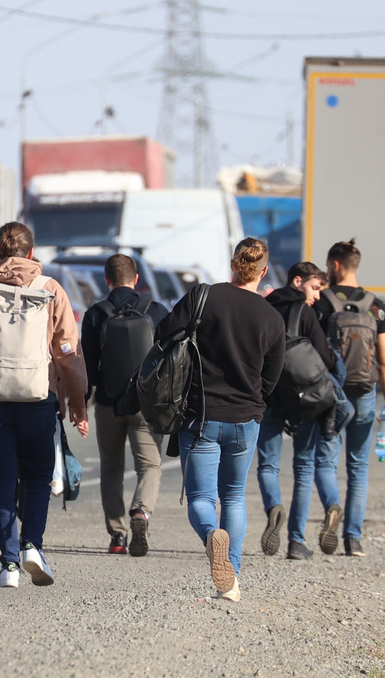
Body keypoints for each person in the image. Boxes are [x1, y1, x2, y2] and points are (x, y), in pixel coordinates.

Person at [0, 222, 89, 589]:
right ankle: (32, 546)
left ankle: (8, 565)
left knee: (2, 480)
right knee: (38, 477)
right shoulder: (50, 289)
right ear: (31, 253)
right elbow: (69, 352)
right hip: (38, 397)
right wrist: (77, 401)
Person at [155, 238, 285, 601]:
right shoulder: (271, 318)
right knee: (234, 496)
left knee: (200, 497)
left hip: (201, 416)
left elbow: (163, 333)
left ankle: (212, 535)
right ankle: (232, 580)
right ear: (262, 271)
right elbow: (272, 378)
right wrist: (253, 403)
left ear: (233, 263)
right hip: (246, 419)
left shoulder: (204, 297)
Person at [312, 239, 385, 558]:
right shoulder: (376, 306)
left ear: (335, 265)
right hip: (365, 391)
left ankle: (333, 506)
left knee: (326, 460)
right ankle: (353, 539)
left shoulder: (322, 302)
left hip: (332, 393)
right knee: (358, 467)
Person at [81, 254, 169, 557]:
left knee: (111, 468)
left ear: (107, 280)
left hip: (108, 403)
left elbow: (88, 366)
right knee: (150, 465)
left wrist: (81, 404)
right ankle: (141, 512)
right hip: (146, 403)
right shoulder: (156, 311)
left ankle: (118, 535)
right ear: (136, 279)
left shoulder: (96, 314)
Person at [255, 262, 338, 560]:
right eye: (314, 288)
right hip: (304, 402)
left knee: (268, 466)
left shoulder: (264, 309)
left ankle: (274, 506)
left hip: (268, 398)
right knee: (303, 469)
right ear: (298, 281)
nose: (317, 296)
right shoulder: (305, 312)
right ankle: (296, 542)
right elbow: (325, 358)